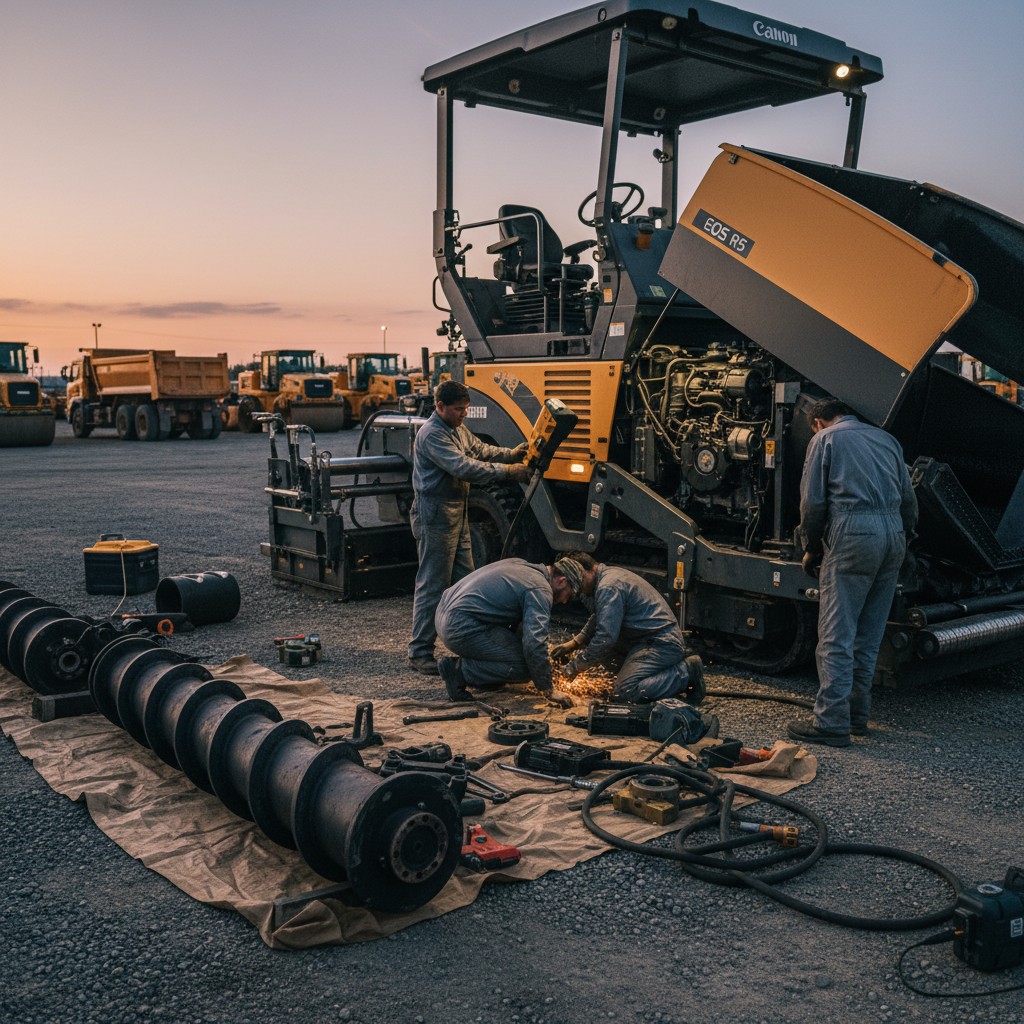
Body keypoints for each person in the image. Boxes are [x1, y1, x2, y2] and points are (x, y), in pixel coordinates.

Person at [787, 398, 917, 747]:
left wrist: (810, 545)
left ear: (818, 421)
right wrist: (906, 538)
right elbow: (908, 500)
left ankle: (831, 722)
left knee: (835, 635)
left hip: (853, 533)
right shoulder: (887, 440)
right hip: (893, 535)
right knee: (869, 634)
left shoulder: (825, 440)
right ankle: (857, 716)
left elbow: (812, 503)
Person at [407, 380, 532, 675]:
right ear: (440, 407)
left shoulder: (456, 428)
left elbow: (479, 449)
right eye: (459, 409)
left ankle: (473, 642)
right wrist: (509, 473)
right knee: (433, 584)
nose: (464, 414)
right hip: (435, 516)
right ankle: (419, 652)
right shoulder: (432, 435)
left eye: (465, 409)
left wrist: (510, 454)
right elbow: (465, 467)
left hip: (455, 514)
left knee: (468, 582)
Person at [550, 553, 704, 704]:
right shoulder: (605, 579)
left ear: (582, 571)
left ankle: (686, 672)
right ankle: (646, 674)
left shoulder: (608, 587)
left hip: (661, 644)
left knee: (624, 691)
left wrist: (574, 667)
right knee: (605, 674)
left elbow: (605, 639)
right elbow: (600, 616)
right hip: (643, 641)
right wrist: (575, 643)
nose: (577, 592)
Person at [434, 556, 582, 707]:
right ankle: (460, 672)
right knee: (526, 666)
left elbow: (521, 629)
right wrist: (547, 688)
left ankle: (489, 676)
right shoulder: (541, 589)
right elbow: (534, 644)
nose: (564, 601)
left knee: (522, 656)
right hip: (460, 626)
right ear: (562, 581)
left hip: (443, 614)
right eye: (568, 595)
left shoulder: (522, 565)